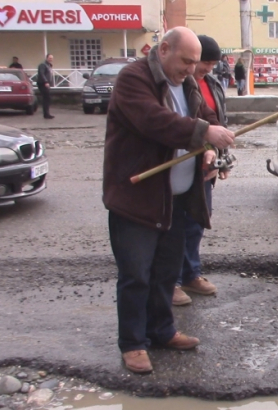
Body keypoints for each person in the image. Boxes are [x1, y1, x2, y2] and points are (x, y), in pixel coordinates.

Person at [103, 27, 235, 374]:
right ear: (163, 50)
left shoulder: (187, 82)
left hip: (175, 199)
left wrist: (208, 149)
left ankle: (161, 332)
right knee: (136, 274)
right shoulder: (134, 78)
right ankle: (132, 344)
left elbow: (204, 116)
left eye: (196, 63)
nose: (192, 69)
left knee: (165, 273)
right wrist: (203, 133)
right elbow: (153, 121)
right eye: (187, 61)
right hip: (138, 199)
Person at [173, 34, 231, 306]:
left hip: (204, 165)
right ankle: (170, 281)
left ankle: (190, 274)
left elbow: (217, 122)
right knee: (173, 226)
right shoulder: (176, 84)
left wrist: (221, 157)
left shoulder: (211, 84)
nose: (208, 68)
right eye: (205, 62)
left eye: (211, 63)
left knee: (197, 222)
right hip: (177, 163)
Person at [37, 54, 54, 119]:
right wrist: (45, 81)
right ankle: (46, 114)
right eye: (50, 58)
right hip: (42, 83)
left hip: (46, 83)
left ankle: (47, 114)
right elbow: (41, 74)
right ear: (47, 58)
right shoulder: (43, 65)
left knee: (47, 98)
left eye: (52, 58)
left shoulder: (48, 65)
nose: (51, 59)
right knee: (46, 98)